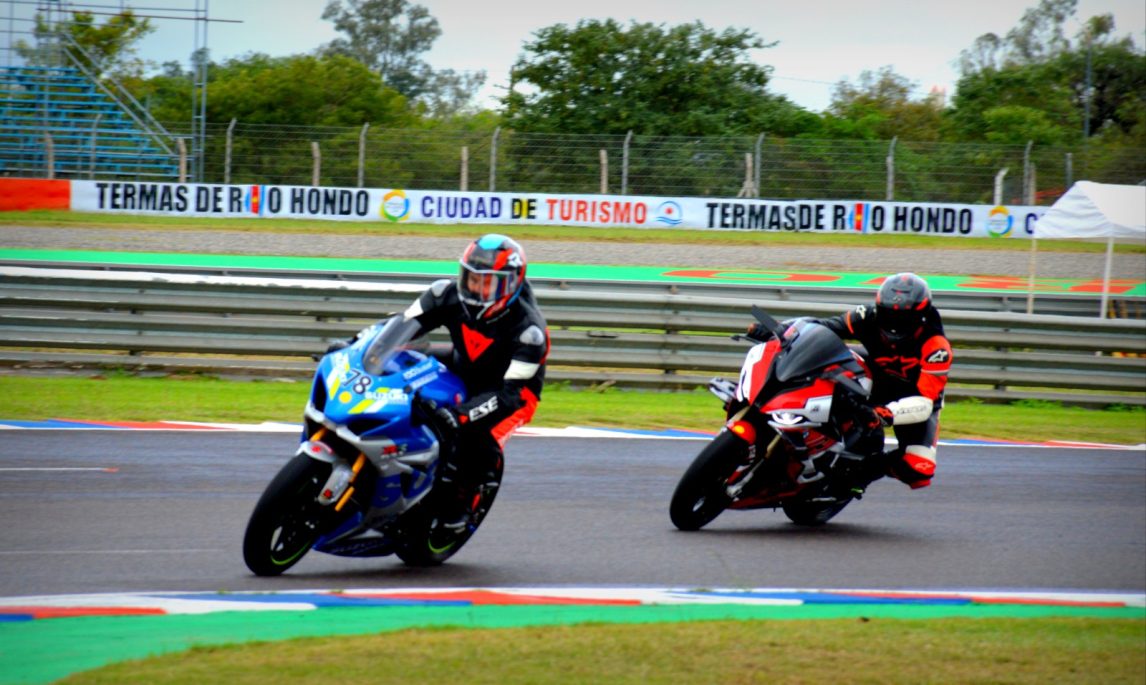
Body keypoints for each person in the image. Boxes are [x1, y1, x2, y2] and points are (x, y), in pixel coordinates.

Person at [398, 233, 549, 529]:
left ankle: (465, 500)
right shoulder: (445, 293)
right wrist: (357, 346)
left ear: (510, 285)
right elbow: (401, 328)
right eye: (473, 279)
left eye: (488, 283)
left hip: (512, 393)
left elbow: (510, 396)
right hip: (464, 365)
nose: (477, 289)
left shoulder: (529, 331)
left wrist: (459, 416)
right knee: (405, 363)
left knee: (473, 435)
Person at [750, 272, 952, 492]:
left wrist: (886, 414)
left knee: (919, 469)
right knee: (832, 361)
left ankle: (859, 474)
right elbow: (822, 327)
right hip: (877, 377)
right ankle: (806, 424)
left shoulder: (937, 347)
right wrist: (778, 332)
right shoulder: (866, 316)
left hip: (913, 398)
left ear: (921, 315)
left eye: (904, 319)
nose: (894, 325)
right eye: (888, 315)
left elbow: (925, 402)